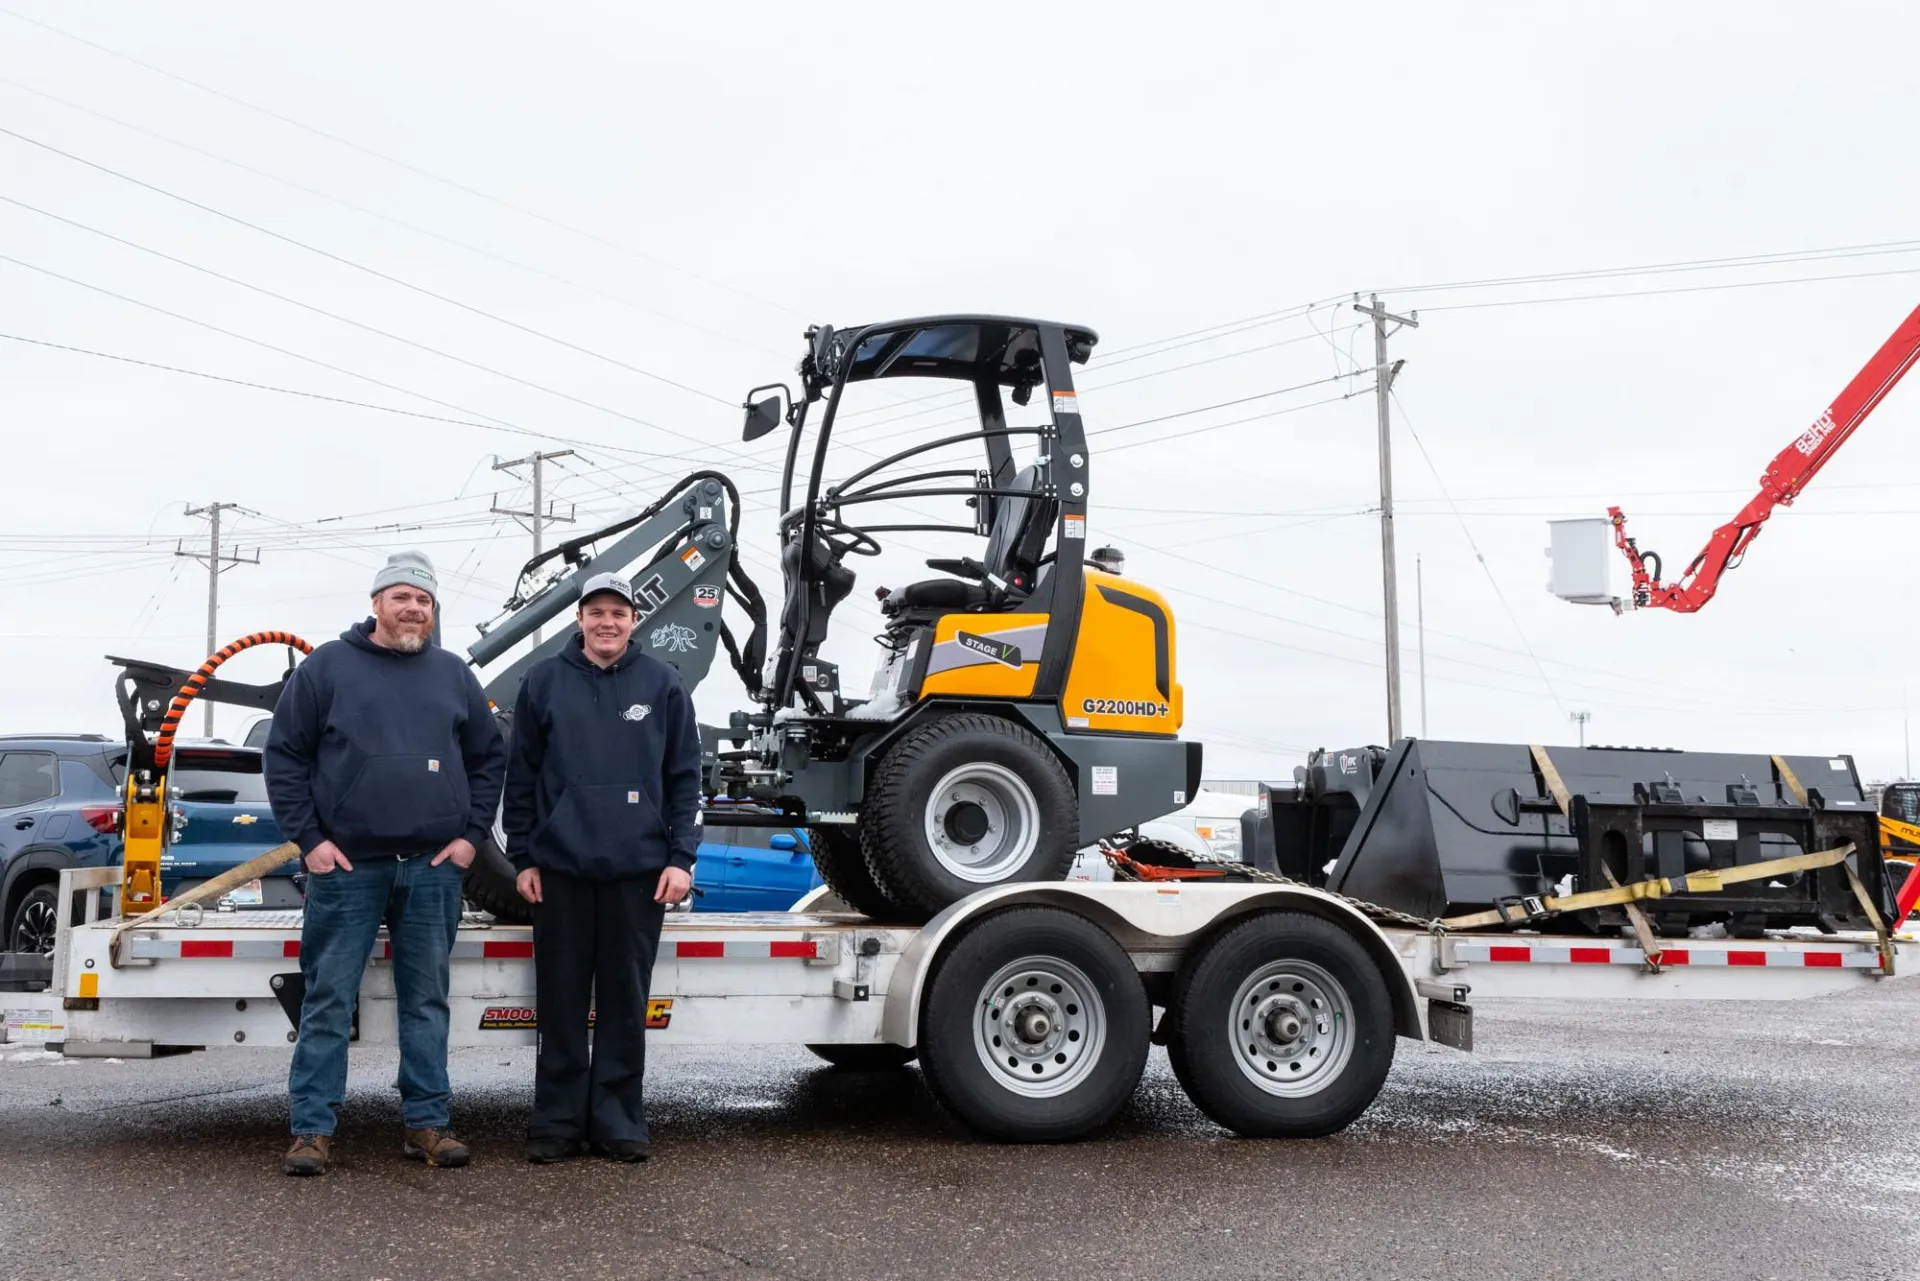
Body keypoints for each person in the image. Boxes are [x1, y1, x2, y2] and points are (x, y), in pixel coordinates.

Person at [263, 550, 507, 1177]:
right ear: (376, 603)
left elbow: (488, 760)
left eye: (423, 600)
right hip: (346, 869)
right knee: (327, 998)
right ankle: (311, 1130)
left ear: (432, 613)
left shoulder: (453, 675)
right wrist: (309, 840)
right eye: (401, 596)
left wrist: (471, 839)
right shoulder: (326, 668)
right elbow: (285, 756)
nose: (413, 608)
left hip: (432, 870)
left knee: (426, 1001)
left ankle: (426, 1123)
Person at [502, 571, 701, 1164]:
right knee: (560, 1003)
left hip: (638, 873)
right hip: (559, 871)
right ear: (579, 619)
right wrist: (522, 855)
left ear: (634, 620)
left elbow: (685, 778)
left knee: (623, 1002)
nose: (607, 622)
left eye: (619, 611)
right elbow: (523, 776)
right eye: (596, 612)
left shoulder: (663, 684)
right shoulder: (542, 682)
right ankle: (556, 1123)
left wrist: (682, 857)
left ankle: (618, 1121)